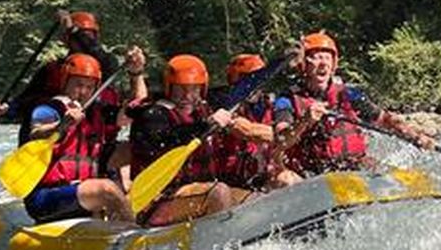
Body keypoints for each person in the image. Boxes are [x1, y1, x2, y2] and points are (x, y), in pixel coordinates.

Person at [272, 31, 435, 185]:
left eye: (328, 58)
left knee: (394, 176)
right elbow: (281, 141)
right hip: (312, 173)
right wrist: (304, 121)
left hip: (353, 164)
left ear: (334, 63)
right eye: (317, 58)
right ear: (303, 64)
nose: (323, 64)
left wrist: (415, 136)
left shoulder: (348, 94)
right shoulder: (286, 99)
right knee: (285, 179)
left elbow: (385, 119)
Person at [127, 54, 252, 226]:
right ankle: (219, 247)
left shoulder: (204, 109)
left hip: (195, 194)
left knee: (255, 200)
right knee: (219, 192)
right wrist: (206, 126)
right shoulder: (152, 115)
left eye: (194, 89)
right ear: (168, 87)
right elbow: (169, 140)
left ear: (203, 89)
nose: (187, 95)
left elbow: (240, 88)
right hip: (156, 202)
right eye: (180, 88)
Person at [0, 11, 133, 147]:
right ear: (66, 40)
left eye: (90, 37)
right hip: (49, 135)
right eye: (82, 36)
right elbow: (25, 101)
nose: (85, 41)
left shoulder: (103, 67)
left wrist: (74, 30)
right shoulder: (52, 69)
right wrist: (6, 109)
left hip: (89, 144)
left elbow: (105, 61)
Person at [23, 53, 134, 223]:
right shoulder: (48, 109)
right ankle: (132, 233)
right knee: (106, 188)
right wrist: (62, 125)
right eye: (78, 85)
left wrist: (137, 73)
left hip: (83, 194)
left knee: (132, 148)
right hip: (46, 198)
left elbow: (136, 110)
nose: (83, 91)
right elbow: (36, 132)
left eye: (89, 87)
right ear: (65, 82)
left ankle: (122, 211)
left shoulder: (98, 112)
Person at [211, 54, 275, 190]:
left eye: (258, 80)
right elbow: (249, 131)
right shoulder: (223, 103)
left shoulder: (267, 104)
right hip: (231, 182)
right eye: (246, 81)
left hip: (260, 177)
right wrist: (287, 134)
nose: (253, 86)